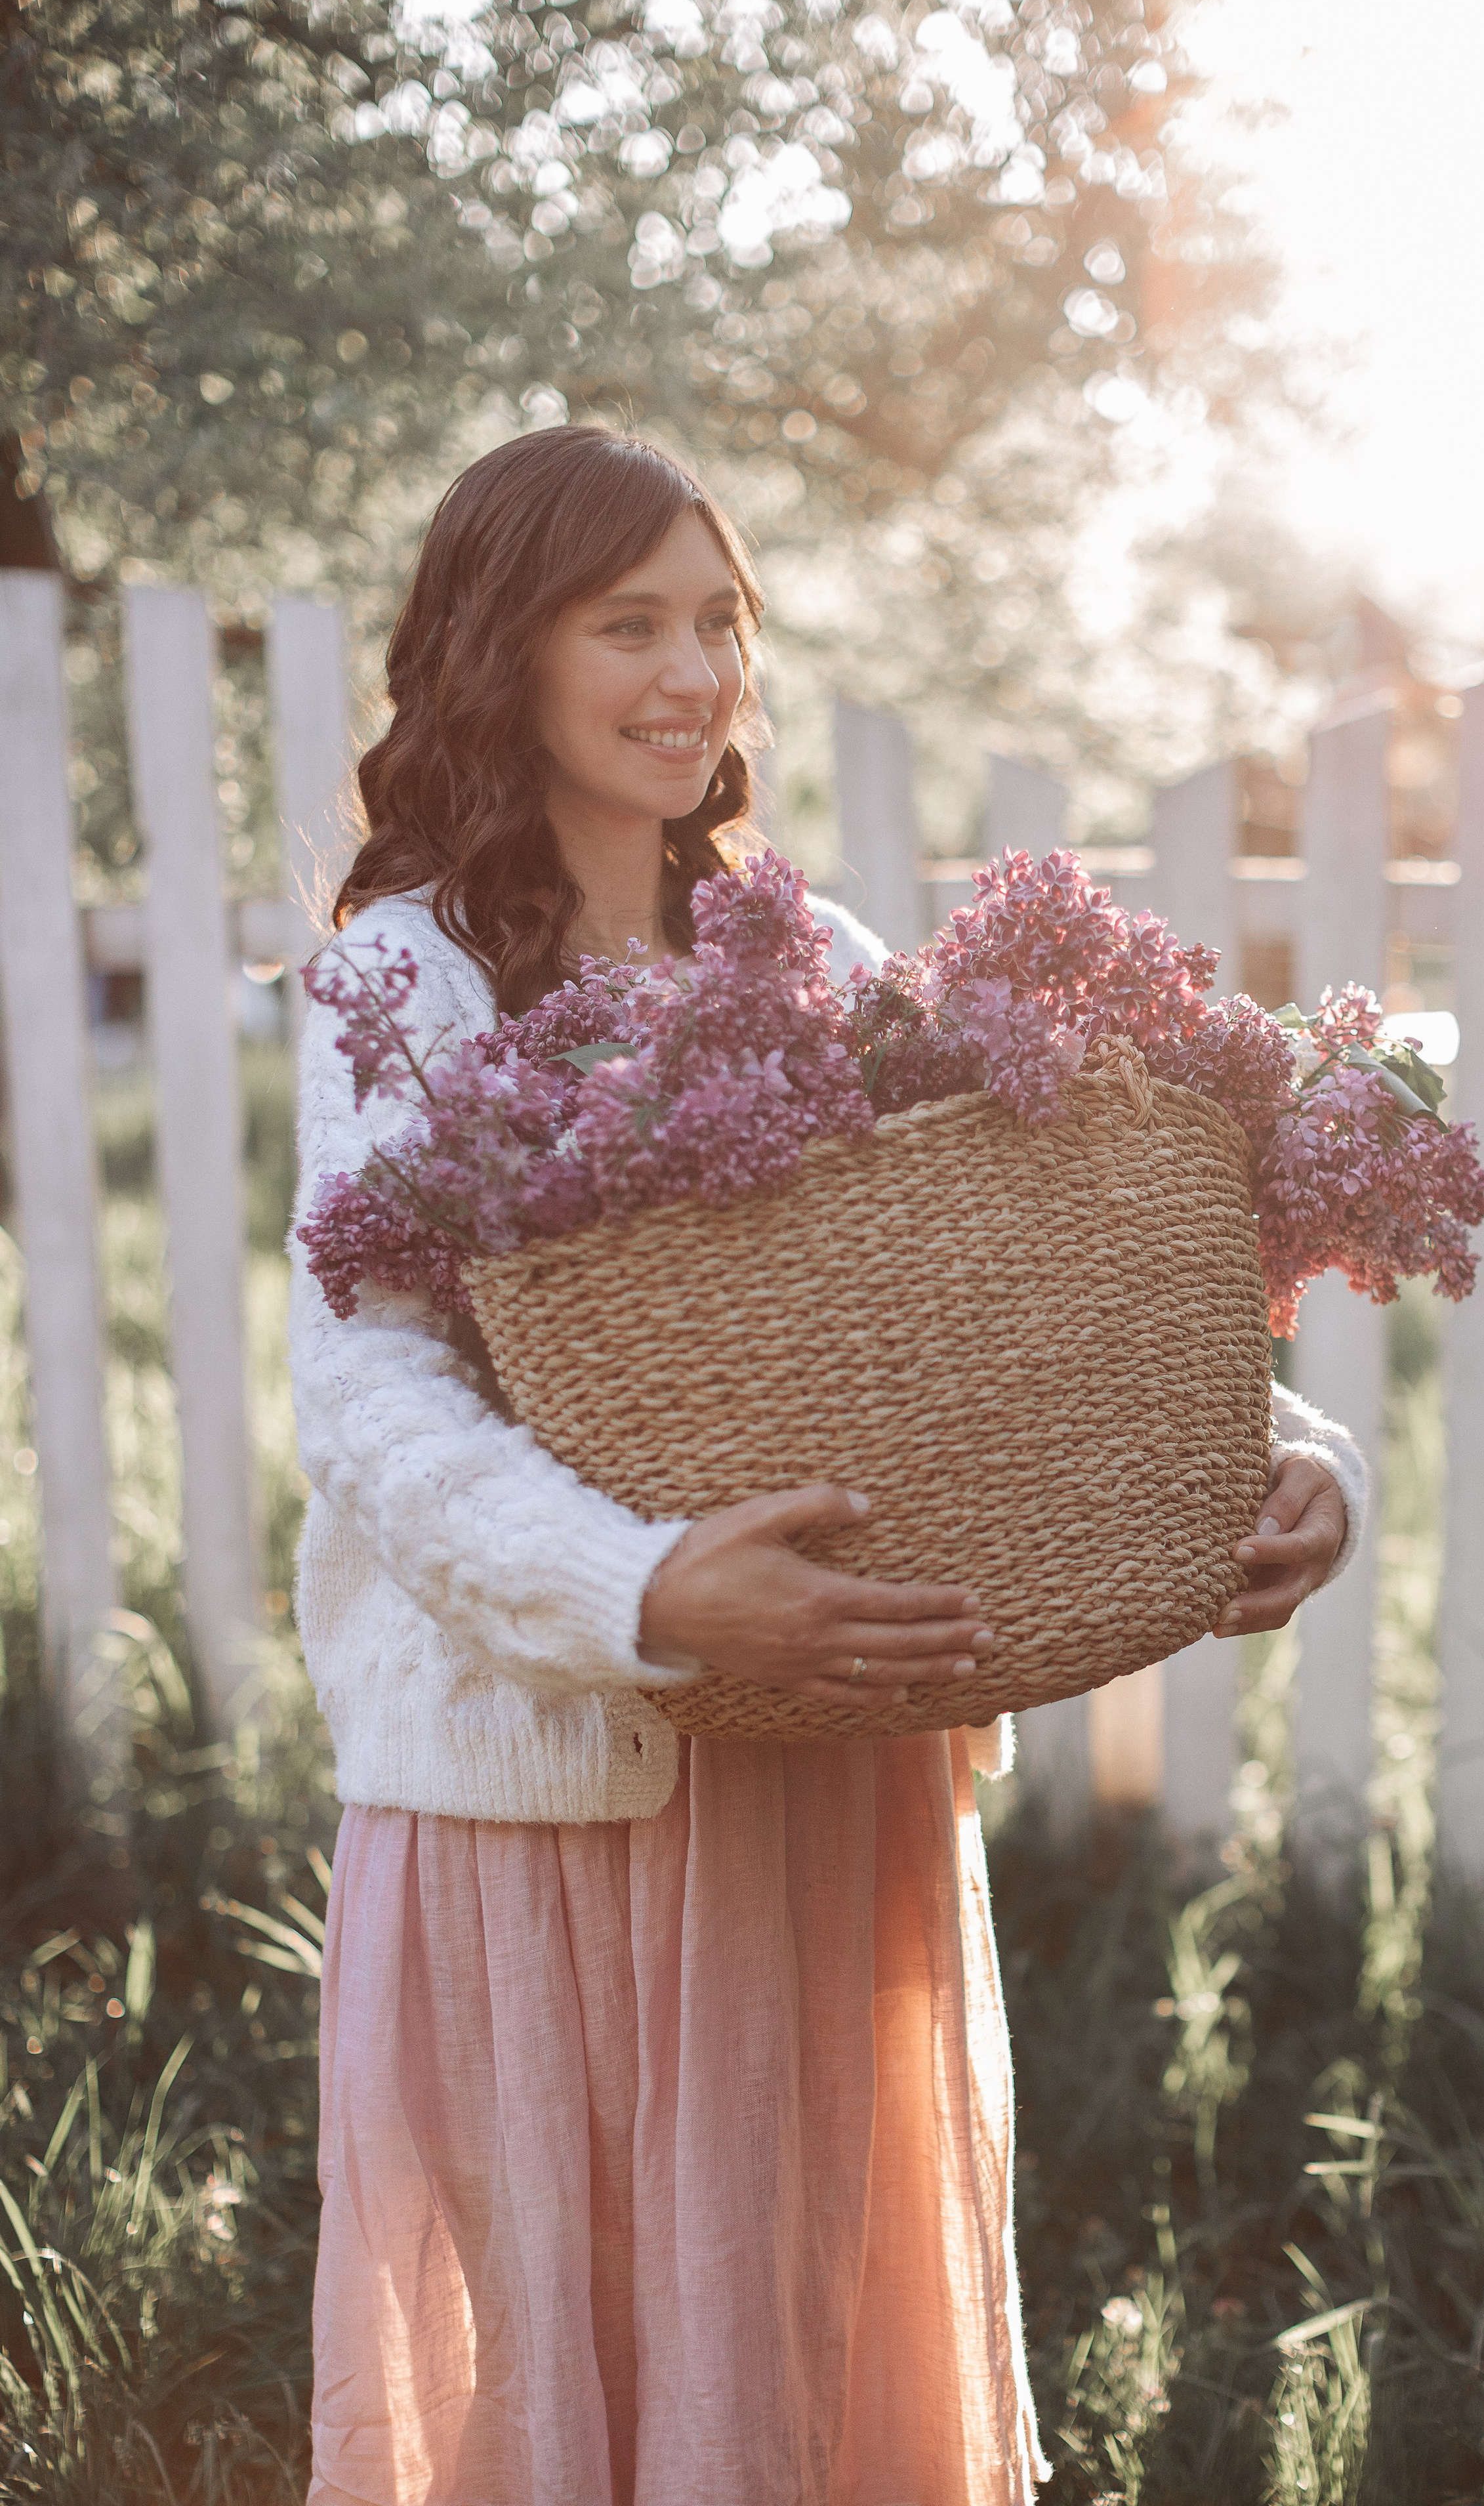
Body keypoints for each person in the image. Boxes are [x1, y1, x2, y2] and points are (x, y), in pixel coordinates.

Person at [289, 425, 1368, 2506]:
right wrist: (644, 1590)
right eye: (631, 626)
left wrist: (1280, 1448)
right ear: (503, 648)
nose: (696, 675)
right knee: (574, 2387)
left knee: (799, 2352)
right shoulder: (401, 979)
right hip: (560, 1801)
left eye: (722, 623)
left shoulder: (809, 951)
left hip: (831, 1761)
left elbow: (1023, 1275)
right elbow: (366, 1399)